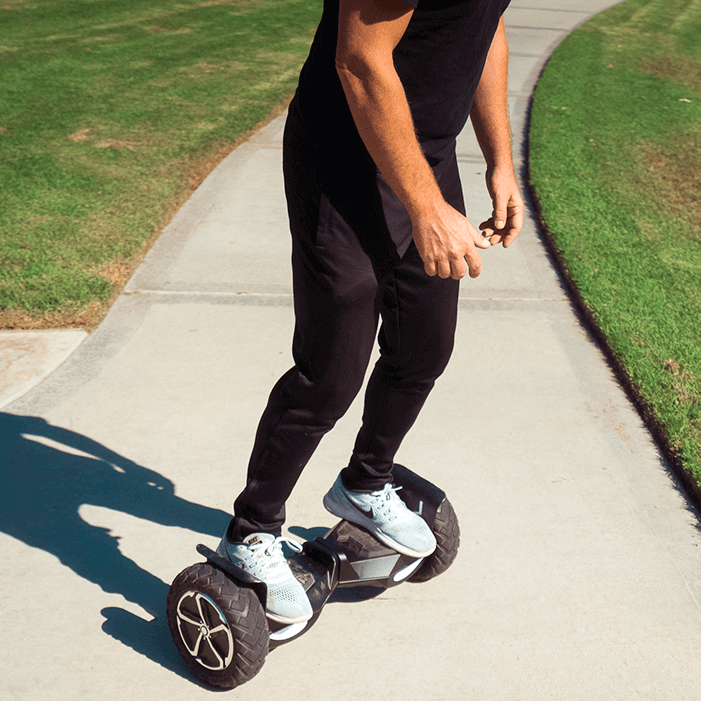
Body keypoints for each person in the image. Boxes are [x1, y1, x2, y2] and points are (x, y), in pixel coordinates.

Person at [216, 0, 524, 624]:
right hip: (342, 156)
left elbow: (484, 27)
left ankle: (364, 483)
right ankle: (249, 533)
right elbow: (359, 60)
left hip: (423, 156)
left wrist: (499, 160)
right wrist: (426, 208)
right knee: (329, 371)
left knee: (425, 344)